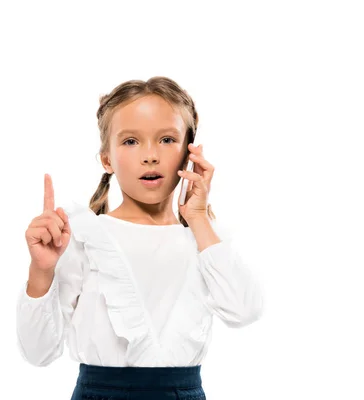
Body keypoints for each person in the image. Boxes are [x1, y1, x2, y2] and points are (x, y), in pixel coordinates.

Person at [16, 76, 264, 400]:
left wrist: (199, 219)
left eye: (167, 139)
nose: (150, 155)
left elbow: (245, 310)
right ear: (107, 158)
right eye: (131, 141)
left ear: (190, 154)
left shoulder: (204, 242)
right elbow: (39, 352)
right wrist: (42, 271)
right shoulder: (81, 236)